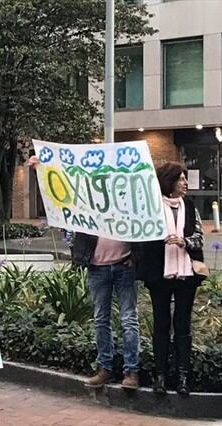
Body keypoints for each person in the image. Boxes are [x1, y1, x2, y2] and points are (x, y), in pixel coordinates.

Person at [27, 156, 141, 389]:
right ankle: (105, 368)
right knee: (101, 319)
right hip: (97, 267)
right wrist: (41, 169)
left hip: (124, 265)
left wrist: (136, 257)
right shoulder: (85, 201)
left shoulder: (128, 202)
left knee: (128, 319)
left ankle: (131, 371)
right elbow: (60, 194)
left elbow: (143, 228)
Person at [136, 162, 204, 396]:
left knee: (183, 324)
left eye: (185, 179)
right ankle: (160, 376)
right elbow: (143, 236)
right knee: (161, 323)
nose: (185, 183)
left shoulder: (190, 206)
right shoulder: (152, 208)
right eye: (181, 179)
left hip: (186, 274)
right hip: (159, 274)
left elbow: (199, 237)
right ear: (169, 181)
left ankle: (183, 376)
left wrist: (184, 241)